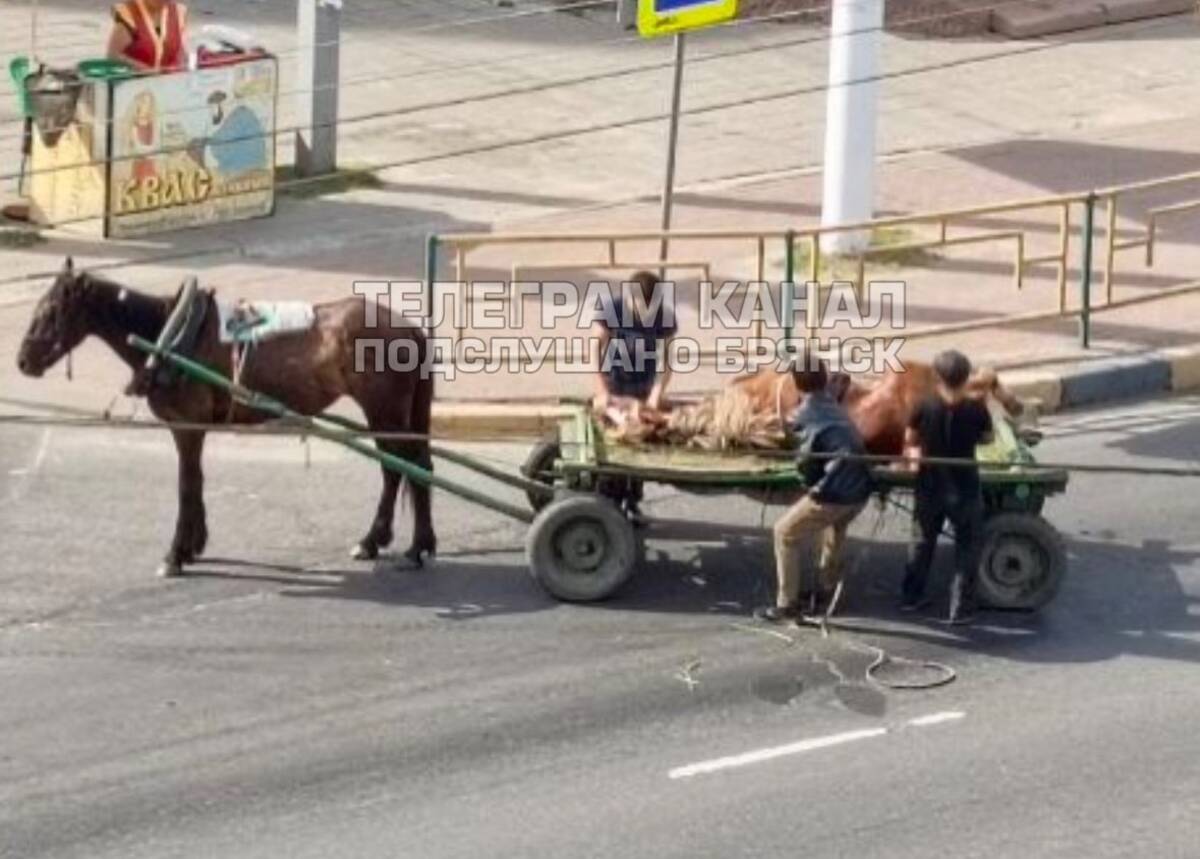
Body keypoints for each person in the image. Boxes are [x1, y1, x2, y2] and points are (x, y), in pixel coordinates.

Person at [756, 348, 873, 623]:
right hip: (860, 488)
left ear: (797, 384)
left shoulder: (803, 415)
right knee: (835, 530)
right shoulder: (832, 401)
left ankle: (787, 605)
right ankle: (826, 589)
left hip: (835, 493)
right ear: (824, 379)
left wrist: (807, 483)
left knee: (784, 533)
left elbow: (806, 462)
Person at [900, 349, 995, 625]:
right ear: (966, 378)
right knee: (967, 545)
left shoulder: (923, 404)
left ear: (937, 377)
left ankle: (911, 597)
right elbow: (988, 439)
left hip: (930, 485)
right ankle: (960, 608)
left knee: (921, 542)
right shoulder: (976, 409)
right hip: (965, 486)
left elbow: (911, 438)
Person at [591, 270, 678, 521]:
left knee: (638, 451)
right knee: (612, 451)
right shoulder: (612, 310)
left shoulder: (664, 317)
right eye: (641, 307)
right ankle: (607, 505)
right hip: (615, 385)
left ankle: (632, 502)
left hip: (642, 388)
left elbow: (667, 362)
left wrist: (655, 396)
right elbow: (594, 350)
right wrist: (602, 391)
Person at [108, 0, 190, 72]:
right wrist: (144, 71)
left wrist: (183, 65)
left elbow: (180, 51)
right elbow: (113, 56)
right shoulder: (129, 13)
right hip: (134, 83)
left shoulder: (177, 12)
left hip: (169, 83)